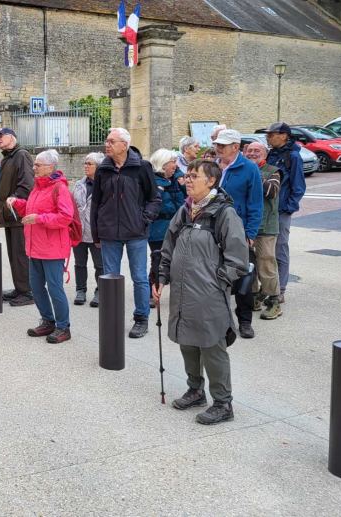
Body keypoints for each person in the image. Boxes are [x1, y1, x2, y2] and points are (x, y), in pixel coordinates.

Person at [154, 159, 249, 425]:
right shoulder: (185, 211)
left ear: (211, 181)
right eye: (187, 176)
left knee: (212, 346)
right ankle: (195, 390)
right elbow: (168, 247)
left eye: (194, 176)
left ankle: (223, 403)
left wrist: (217, 281)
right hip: (183, 292)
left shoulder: (224, 214)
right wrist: (162, 275)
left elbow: (238, 259)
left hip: (208, 294)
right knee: (188, 341)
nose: (188, 180)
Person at [92, 127, 161, 339]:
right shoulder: (103, 170)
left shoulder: (142, 167)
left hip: (136, 233)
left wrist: (144, 219)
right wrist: (96, 234)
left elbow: (155, 199)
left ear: (125, 145)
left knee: (139, 278)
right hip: (108, 234)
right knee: (110, 278)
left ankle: (141, 318)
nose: (107, 144)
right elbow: (95, 203)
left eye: (112, 141)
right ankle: (112, 317)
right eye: (106, 141)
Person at [6, 149, 75, 343]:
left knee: (55, 288)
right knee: (36, 287)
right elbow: (31, 209)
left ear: (50, 167)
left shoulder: (59, 188)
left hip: (52, 248)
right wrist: (18, 203)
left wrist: (39, 219)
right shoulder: (38, 186)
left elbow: (65, 217)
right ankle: (48, 321)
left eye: (38, 165)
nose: (34, 167)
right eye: (35, 164)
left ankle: (63, 326)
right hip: (35, 246)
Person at [214, 129, 263, 339]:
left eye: (222, 145)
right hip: (214, 232)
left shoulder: (249, 169)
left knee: (243, 279)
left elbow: (256, 204)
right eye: (217, 144)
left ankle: (245, 321)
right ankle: (219, 320)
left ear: (236, 146)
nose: (218, 148)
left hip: (239, 232)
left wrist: (250, 234)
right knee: (215, 277)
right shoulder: (212, 166)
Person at [0, 127, 35, 307]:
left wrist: (15, 200)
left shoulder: (21, 155)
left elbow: (27, 184)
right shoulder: (8, 157)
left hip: (18, 212)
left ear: (12, 137)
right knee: (13, 253)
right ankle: (20, 288)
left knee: (20, 253)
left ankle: (28, 292)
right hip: (9, 213)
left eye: (1, 136)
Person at [264, 122, 306, 305]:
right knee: (267, 251)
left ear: (283, 136)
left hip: (281, 211)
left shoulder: (293, 156)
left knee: (280, 249)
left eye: (271, 134)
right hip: (268, 210)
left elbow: (298, 187)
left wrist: (288, 208)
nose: (268, 137)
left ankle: (280, 289)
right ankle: (269, 288)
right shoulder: (272, 154)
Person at [243, 142, 282, 320]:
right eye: (249, 150)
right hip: (246, 226)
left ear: (264, 154)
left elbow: (272, 191)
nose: (252, 153)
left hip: (266, 227)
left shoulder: (273, 170)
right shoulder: (241, 169)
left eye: (256, 151)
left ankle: (274, 300)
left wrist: (253, 171)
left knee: (266, 263)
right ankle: (253, 297)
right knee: (247, 265)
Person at [148, 148, 185, 308]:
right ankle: (153, 292)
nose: (176, 166)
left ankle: (180, 294)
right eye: (173, 162)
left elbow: (187, 197)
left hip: (178, 227)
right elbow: (156, 206)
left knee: (179, 262)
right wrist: (162, 189)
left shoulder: (177, 179)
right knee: (158, 260)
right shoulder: (153, 182)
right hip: (158, 230)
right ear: (163, 164)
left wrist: (180, 180)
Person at [71, 152, 104, 307]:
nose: (86, 166)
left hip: (97, 232)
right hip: (79, 231)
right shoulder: (79, 184)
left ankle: (100, 291)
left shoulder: (104, 185)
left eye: (89, 164)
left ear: (98, 167)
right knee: (79, 263)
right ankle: (80, 290)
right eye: (85, 163)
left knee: (100, 264)